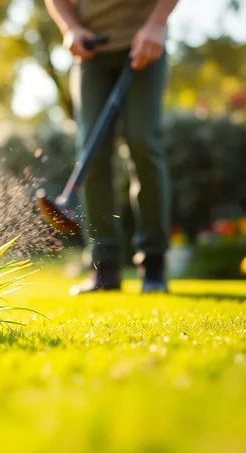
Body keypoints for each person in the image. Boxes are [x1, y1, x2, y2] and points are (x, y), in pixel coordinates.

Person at [45, 0, 179, 295]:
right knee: (92, 154)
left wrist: (156, 24)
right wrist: (71, 28)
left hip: (144, 42)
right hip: (91, 51)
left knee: (143, 141)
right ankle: (104, 268)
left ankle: (154, 263)